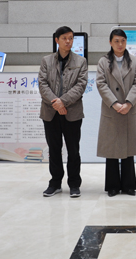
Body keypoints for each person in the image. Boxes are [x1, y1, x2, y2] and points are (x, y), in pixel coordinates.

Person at [38, 26, 88, 198]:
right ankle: (55, 183)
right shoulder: (46, 61)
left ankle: (74, 184)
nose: (68, 41)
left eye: (71, 38)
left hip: (72, 112)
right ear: (57, 40)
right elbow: (42, 84)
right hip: (50, 112)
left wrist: (63, 101)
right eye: (65, 38)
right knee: (54, 149)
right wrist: (56, 103)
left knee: (73, 150)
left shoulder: (81, 61)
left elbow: (80, 86)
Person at [96, 29, 136, 197]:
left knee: (128, 149)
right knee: (111, 150)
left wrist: (128, 103)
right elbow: (101, 84)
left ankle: (129, 185)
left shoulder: (133, 60)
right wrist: (115, 103)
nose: (120, 44)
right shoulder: (103, 62)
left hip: (129, 109)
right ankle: (112, 186)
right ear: (110, 42)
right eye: (116, 41)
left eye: (123, 41)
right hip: (111, 109)